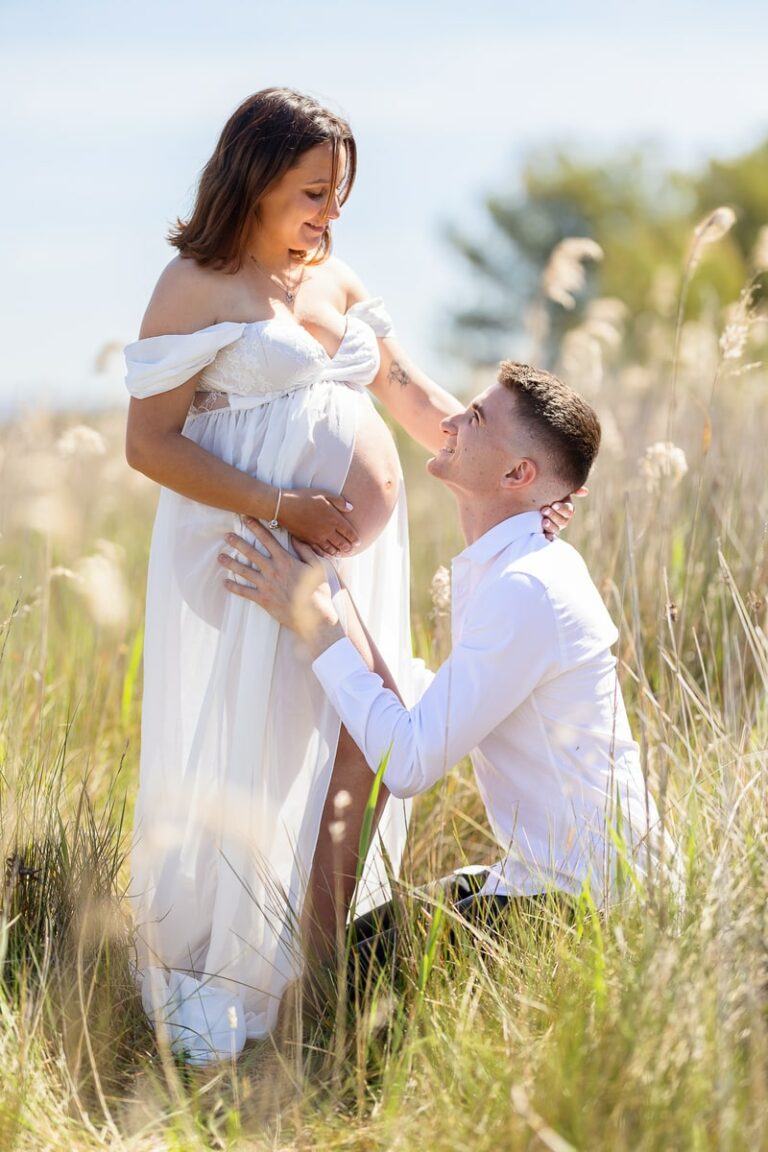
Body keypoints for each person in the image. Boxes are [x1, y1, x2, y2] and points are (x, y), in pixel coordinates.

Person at [123, 86, 577, 1063]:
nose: (329, 217)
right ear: (252, 181)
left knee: (352, 744)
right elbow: (149, 444)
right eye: (313, 194)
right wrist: (285, 509)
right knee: (275, 745)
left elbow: (412, 397)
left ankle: (319, 977)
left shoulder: (334, 275)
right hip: (258, 547)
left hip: (347, 556)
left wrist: (513, 478)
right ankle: (255, 974)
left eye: (338, 197)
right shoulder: (195, 283)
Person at [220, 361, 673, 978]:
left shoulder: (527, 588)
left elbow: (407, 765)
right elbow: (443, 705)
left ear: (519, 474)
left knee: (348, 981)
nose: (451, 421)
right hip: (546, 881)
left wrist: (317, 624)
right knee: (343, 959)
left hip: (589, 909)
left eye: (476, 417)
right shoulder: (511, 569)